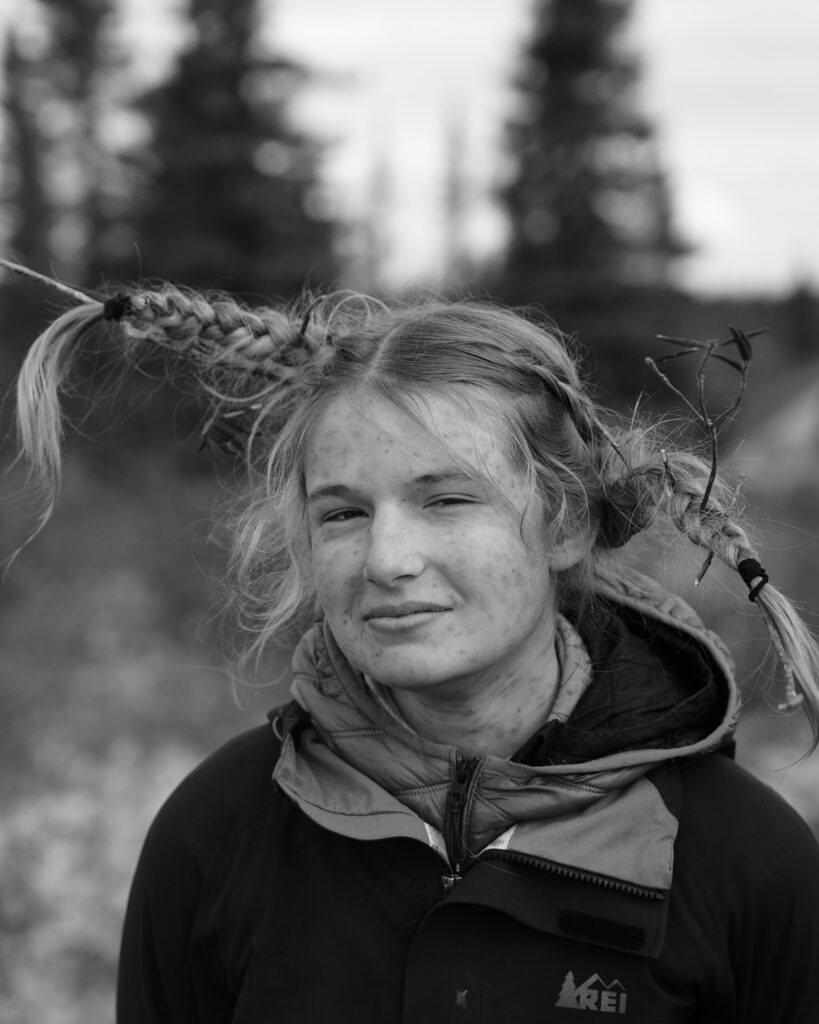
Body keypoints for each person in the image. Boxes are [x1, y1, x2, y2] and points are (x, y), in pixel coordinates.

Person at [9, 267, 819, 1023]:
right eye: (343, 513)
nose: (387, 560)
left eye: (446, 499)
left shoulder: (743, 861)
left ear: (564, 523)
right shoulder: (218, 834)